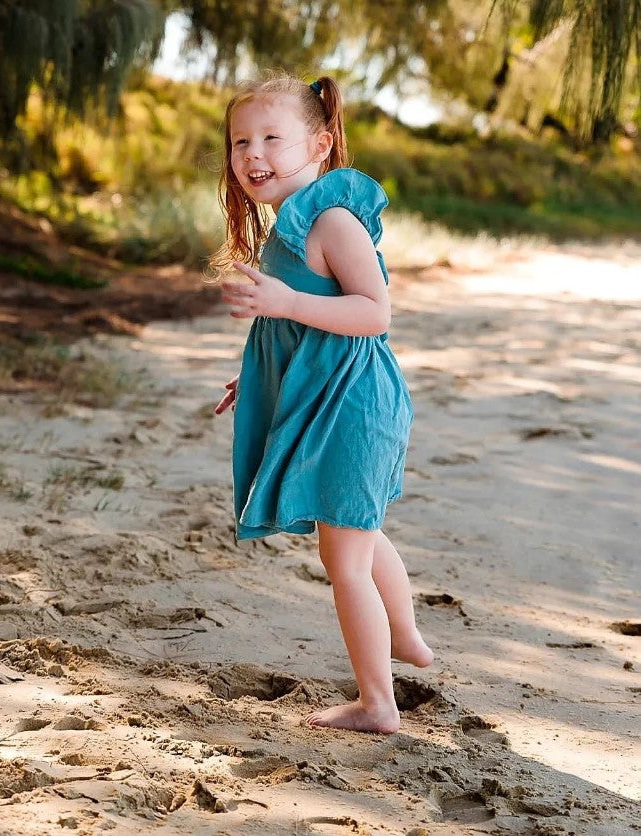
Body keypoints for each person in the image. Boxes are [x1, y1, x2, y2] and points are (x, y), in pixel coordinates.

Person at [212, 72, 433, 734]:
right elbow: (298, 333)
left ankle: (377, 703)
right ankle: (408, 639)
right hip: (331, 399)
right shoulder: (290, 222)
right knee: (358, 531)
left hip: (355, 405)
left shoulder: (333, 220)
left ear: (321, 142)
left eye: (273, 138)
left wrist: (285, 301)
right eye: (240, 141)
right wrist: (257, 378)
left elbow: (372, 313)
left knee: (345, 560)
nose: (255, 154)